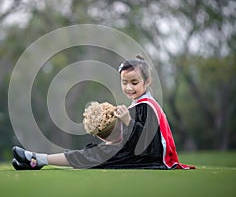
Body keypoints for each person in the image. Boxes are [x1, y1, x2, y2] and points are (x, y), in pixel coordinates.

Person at [11, 55, 195, 170]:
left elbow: (149, 145)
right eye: (124, 82)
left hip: (154, 160)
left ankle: (37, 159)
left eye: (134, 82)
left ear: (147, 83)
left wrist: (127, 122)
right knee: (93, 153)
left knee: (94, 155)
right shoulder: (139, 104)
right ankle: (36, 160)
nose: (128, 88)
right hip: (140, 157)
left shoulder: (147, 106)